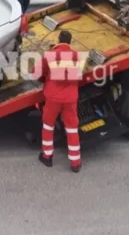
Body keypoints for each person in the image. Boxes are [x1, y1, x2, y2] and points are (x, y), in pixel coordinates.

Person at [35, 30, 83, 172]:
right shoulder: (76, 56)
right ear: (70, 41)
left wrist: (44, 80)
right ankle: (75, 163)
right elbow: (78, 75)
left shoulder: (51, 55)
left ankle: (47, 156)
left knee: (48, 126)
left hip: (53, 98)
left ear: (58, 40)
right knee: (72, 128)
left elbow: (37, 72)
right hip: (70, 98)